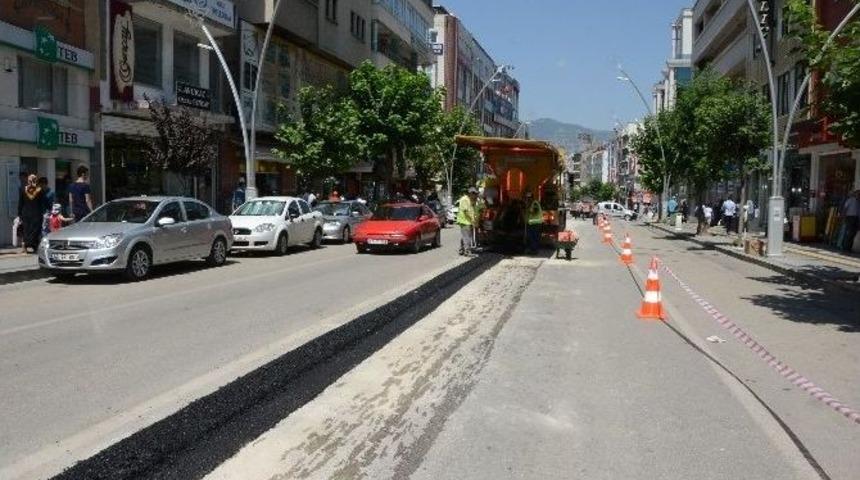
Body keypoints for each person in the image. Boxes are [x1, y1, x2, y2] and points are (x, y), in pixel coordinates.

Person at [17, 174, 47, 253]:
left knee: (29, 230)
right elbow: (42, 203)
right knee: (31, 230)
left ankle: (28, 246)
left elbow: (20, 203)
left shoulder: (25, 189)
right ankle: (31, 246)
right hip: (34, 213)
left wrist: (19, 213)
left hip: (28, 213)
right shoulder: (38, 190)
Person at [456, 187, 479, 256]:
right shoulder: (465, 199)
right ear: (470, 193)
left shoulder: (470, 200)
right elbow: (466, 211)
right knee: (467, 237)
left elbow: (472, 210)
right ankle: (467, 251)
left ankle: (461, 249)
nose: (475, 195)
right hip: (464, 220)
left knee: (465, 236)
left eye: (476, 194)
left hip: (467, 220)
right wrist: (473, 219)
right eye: (474, 194)